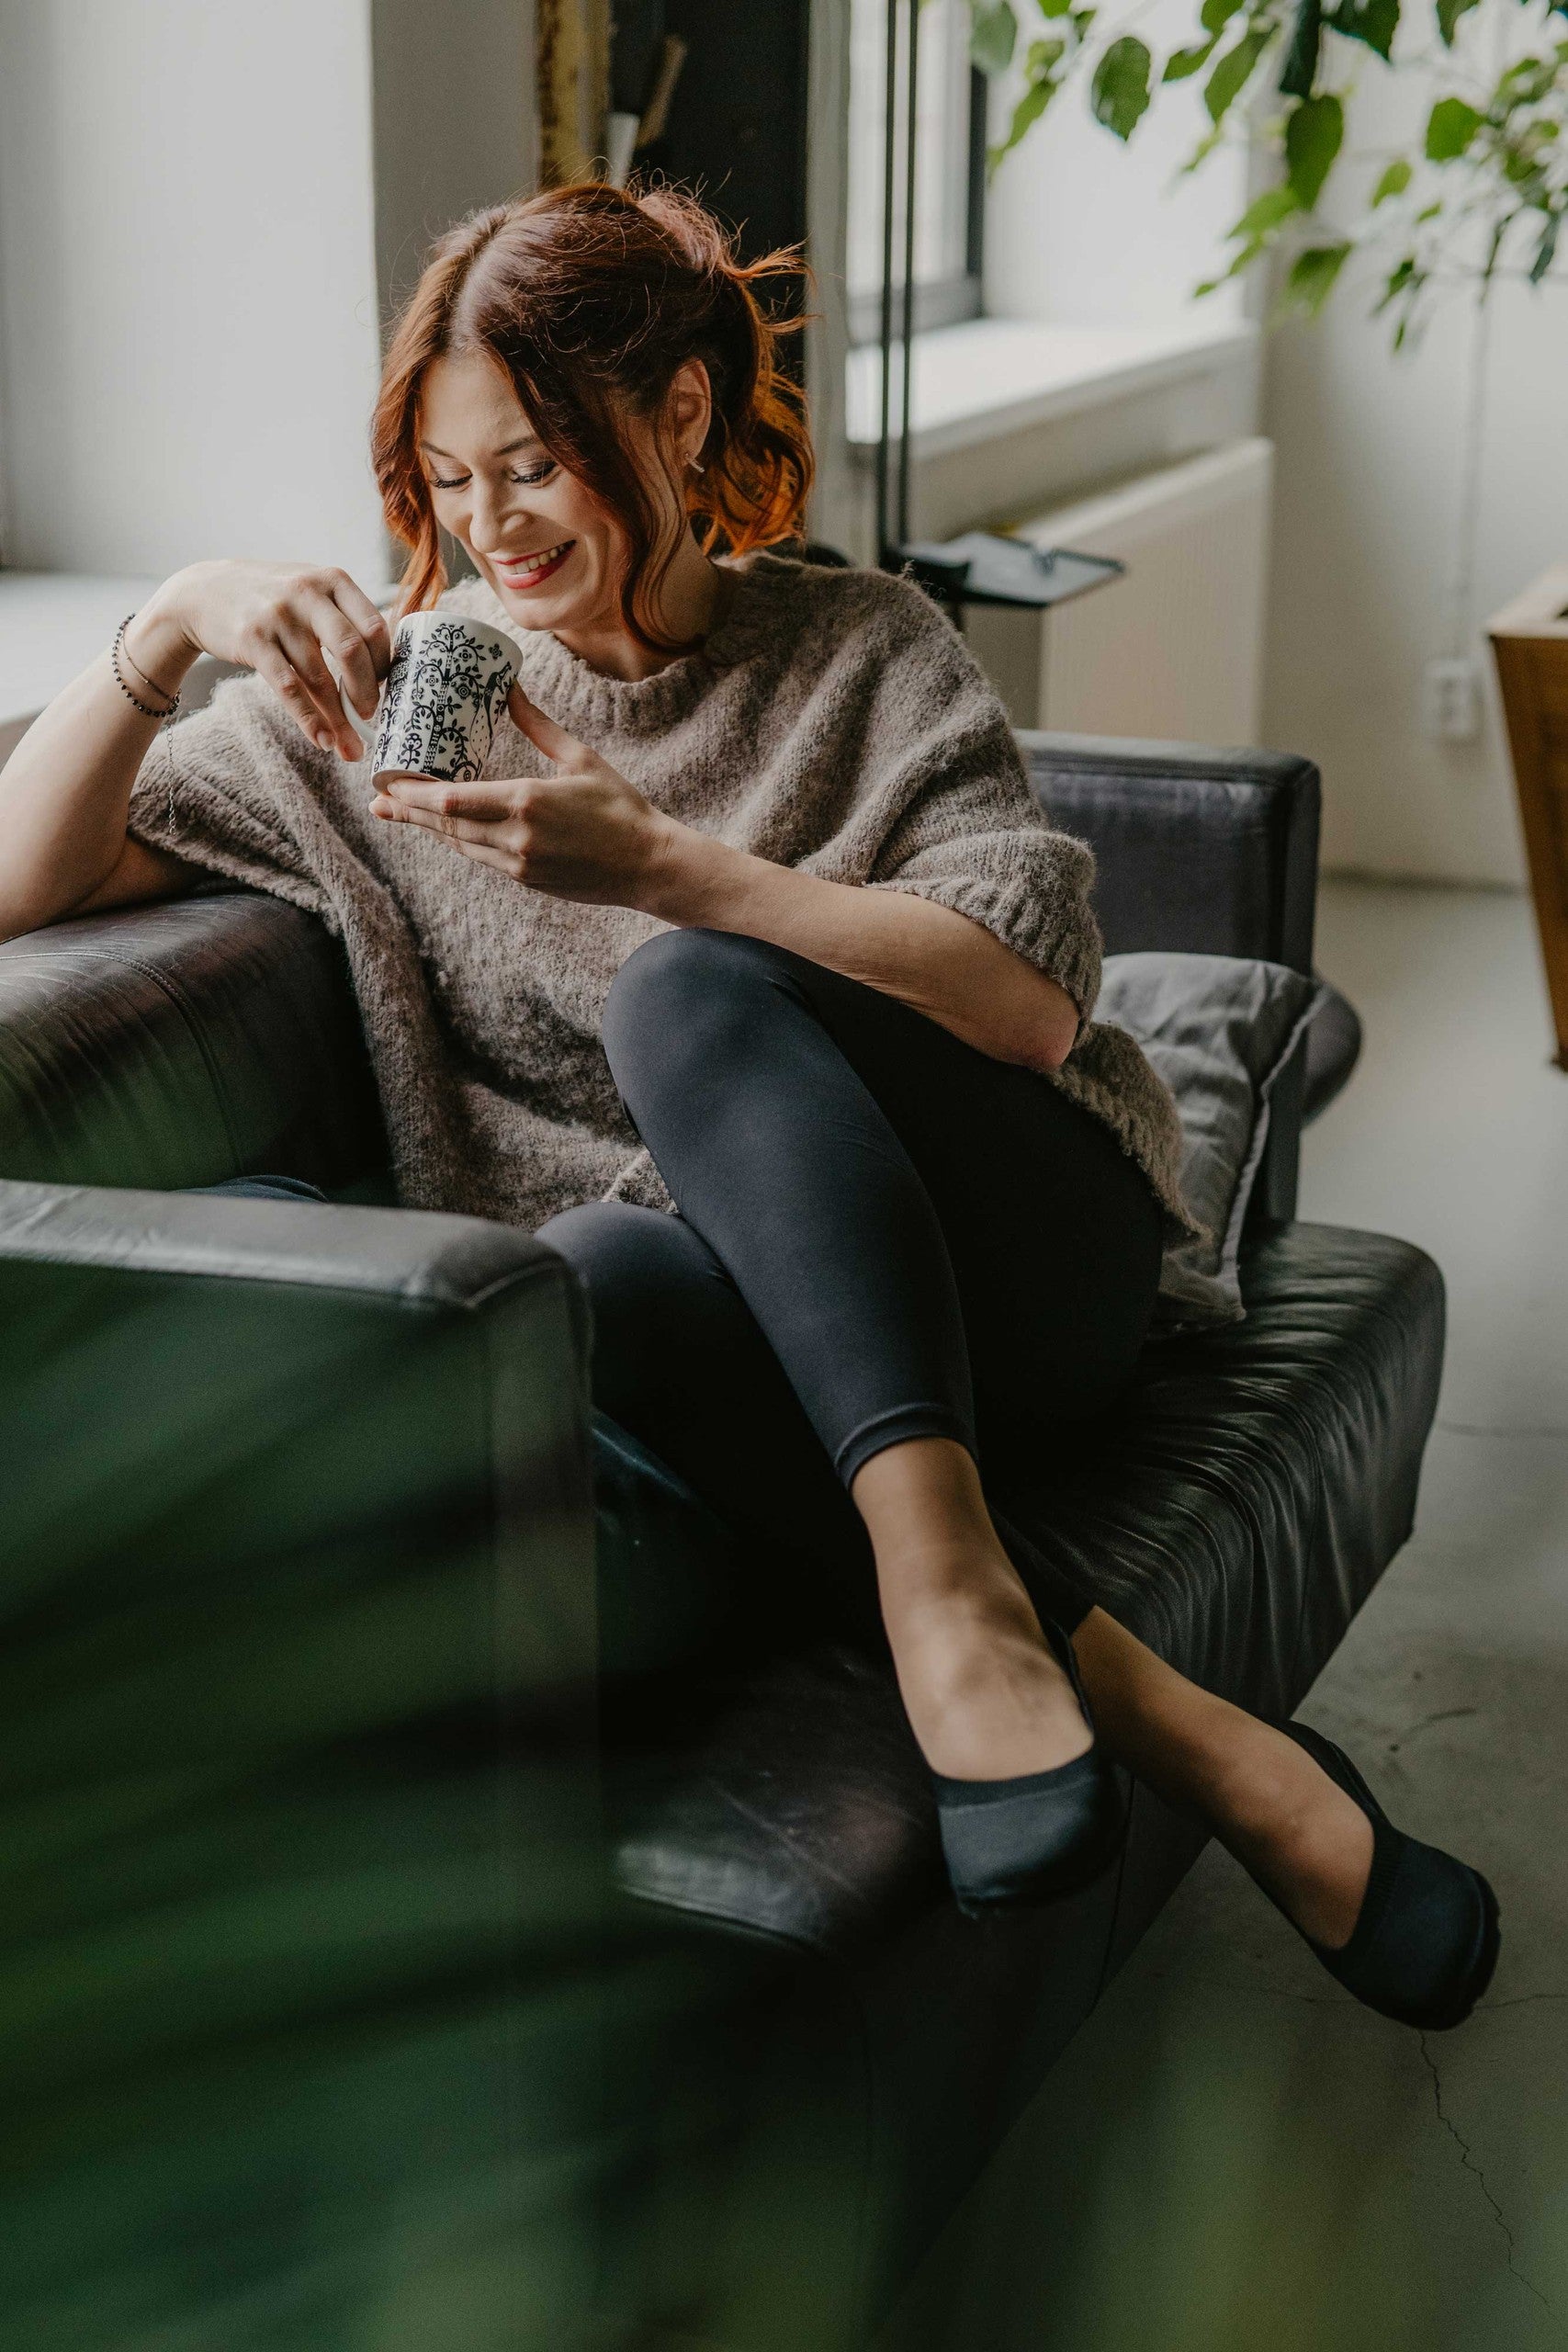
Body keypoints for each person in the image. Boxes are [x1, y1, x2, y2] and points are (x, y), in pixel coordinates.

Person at [0, 184, 1495, 2024]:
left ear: (682, 413)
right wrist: (166, 629)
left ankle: (955, 1597)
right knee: (589, 1277)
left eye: (533, 463)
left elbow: (1026, 1007)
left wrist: (669, 869)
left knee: (691, 987)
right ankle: (1166, 1718)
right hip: (719, 1333)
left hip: (1018, 1268)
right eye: (449, 482)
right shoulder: (404, 707)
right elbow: (18, 882)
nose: (489, 526)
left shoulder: (861, 644)